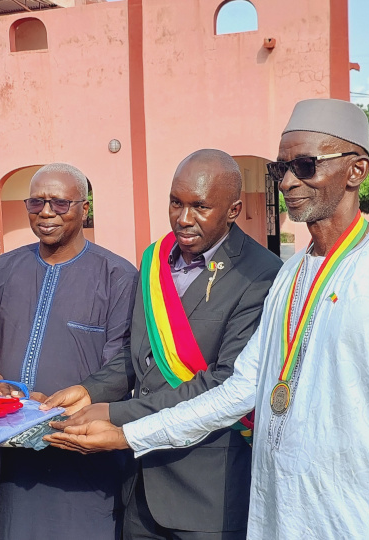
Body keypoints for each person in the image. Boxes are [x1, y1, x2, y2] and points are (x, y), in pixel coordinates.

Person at [47, 99, 369, 540]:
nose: (287, 182)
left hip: (365, 514)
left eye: (305, 165)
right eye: (279, 169)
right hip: (281, 512)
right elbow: (239, 390)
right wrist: (131, 434)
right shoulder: (290, 273)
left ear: (356, 170)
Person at [43, 149, 284, 540]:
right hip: (140, 487)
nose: (183, 219)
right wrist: (90, 391)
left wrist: (118, 414)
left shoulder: (260, 274)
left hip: (207, 495)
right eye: (176, 202)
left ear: (234, 210)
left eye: (200, 207)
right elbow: (137, 353)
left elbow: (225, 383)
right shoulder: (155, 259)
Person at [0, 163, 137, 540]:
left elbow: (125, 361)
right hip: (12, 457)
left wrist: (78, 400)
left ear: (84, 208)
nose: (46, 212)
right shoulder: (4, 268)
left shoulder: (118, 275)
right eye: (36, 202)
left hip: (80, 454)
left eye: (60, 203)